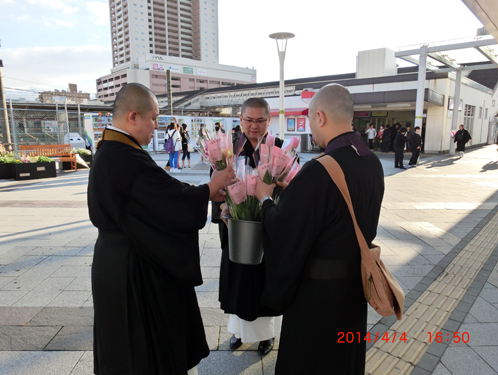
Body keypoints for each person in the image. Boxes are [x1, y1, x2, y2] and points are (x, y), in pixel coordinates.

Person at [87, 83, 235, 375]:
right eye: (153, 118)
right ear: (133, 117)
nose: (156, 126)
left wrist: (204, 192)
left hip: (116, 262)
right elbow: (166, 200)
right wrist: (211, 186)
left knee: (126, 346)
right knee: (145, 351)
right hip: (134, 269)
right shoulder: (122, 156)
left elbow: (158, 192)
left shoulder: (112, 150)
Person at [254, 83, 384, 374]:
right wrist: (295, 194)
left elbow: (286, 232)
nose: (311, 128)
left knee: (312, 361)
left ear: (321, 117)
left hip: (318, 297)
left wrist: (265, 198)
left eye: (311, 120)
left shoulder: (319, 169)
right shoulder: (372, 162)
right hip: (354, 290)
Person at [216, 98, 283, 356]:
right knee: (240, 285)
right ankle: (239, 332)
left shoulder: (279, 148)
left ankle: (267, 336)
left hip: (268, 232)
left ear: (269, 120)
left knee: (265, 285)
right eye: (249, 120)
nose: (254, 126)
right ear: (240, 119)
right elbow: (217, 187)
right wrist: (222, 208)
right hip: (238, 232)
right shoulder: (229, 149)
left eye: (260, 120)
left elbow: (292, 190)